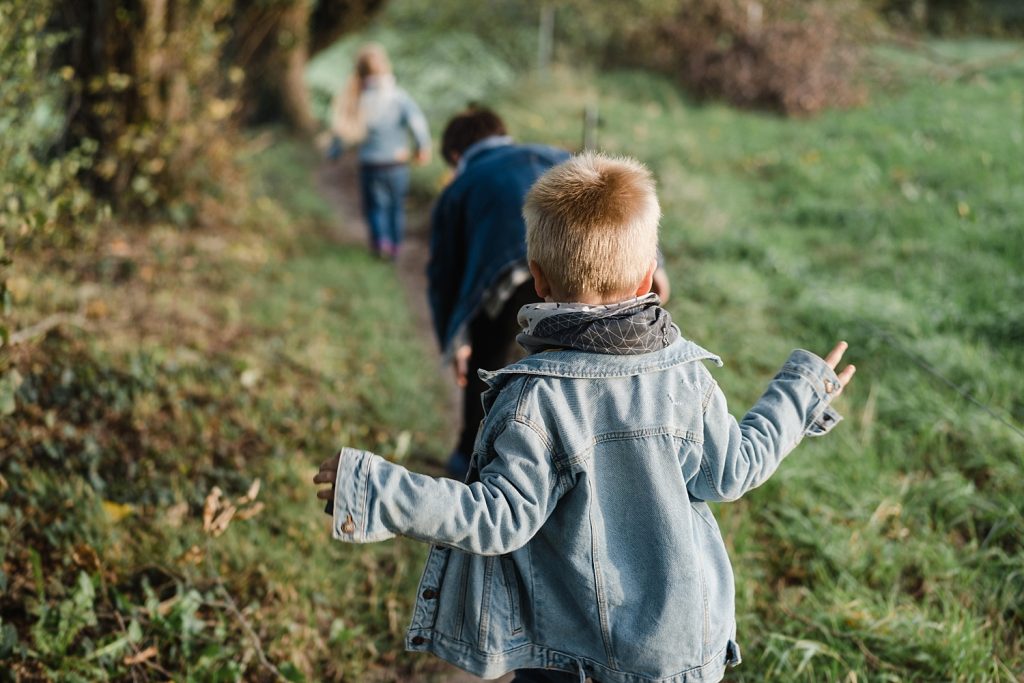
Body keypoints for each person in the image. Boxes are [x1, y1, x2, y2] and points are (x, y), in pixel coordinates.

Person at [314, 153, 856, 682]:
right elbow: (736, 469)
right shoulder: (686, 380)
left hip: (560, 651)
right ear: (648, 277)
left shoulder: (534, 399)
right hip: (673, 653)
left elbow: (496, 518)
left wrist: (379, 490)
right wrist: (801, 391)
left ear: (539, 280)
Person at [426, 106, 570, 480]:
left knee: (490, 372)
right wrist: (656, 262)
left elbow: (444, 277)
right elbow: (618, 195)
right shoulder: (556, 155)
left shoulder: (461, 185)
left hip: (511, 281)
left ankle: (469, 464)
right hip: (579, 274)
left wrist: (456, 340)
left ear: (457, 157)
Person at [330, 43, 431, 259]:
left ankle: (380, 242)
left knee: (375, 207)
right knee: (396, 206)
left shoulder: (356, 99)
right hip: (396, 162)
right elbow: (417, 122)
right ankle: (395, 245)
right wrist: (422, 147)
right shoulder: (398, 97)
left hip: (370, 164)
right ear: (386, 67)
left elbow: (342, 131)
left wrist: (335, 152)